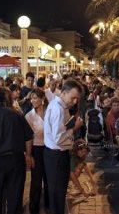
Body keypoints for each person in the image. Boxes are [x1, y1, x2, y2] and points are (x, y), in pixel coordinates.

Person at [43, 78, 84, 214]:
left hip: (57, 155)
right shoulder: (58, 109)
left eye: (77, 99)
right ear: (64, 93)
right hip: (56, 156)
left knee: (58, 194)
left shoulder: (61, 106)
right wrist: (75, 128)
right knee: (57, 194)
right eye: (73, 98)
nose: (75, 101)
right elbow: (58, 138)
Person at [25, 89, 49, 214]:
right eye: (31, 98)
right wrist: (29, 155)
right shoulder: (29, 116)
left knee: (48, 178)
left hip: (50, 149)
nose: (33, 100)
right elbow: (27, 138)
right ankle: (34, 208)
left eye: (35, 98)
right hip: (36, 149)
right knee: (36, 180)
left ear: (42, 99)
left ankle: (49, 204)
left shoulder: (49, 112)